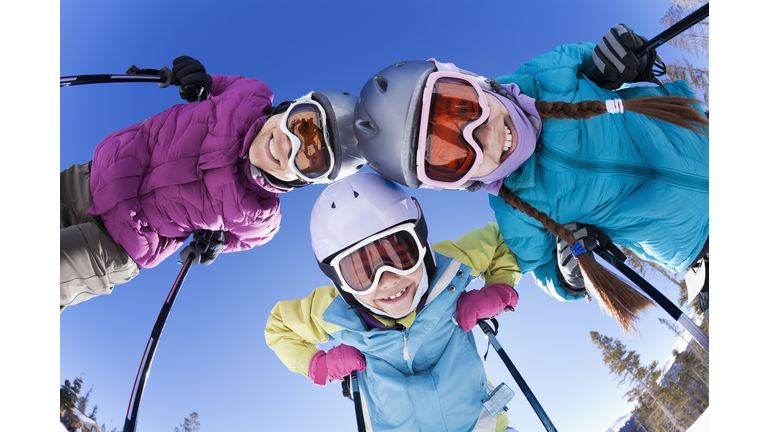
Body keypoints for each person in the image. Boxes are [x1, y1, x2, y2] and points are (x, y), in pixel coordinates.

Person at [351, 25, 709, 333]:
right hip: (700, 245)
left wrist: (630, 56)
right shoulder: (517, 216)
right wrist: (572, 277)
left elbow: (617, 60)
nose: (485, 137)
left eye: (462, 107)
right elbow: (546, 272)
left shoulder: (548, 74)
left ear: (473, 81)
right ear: (457, 183)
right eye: (451, 157)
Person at [61, 56, 366, 311]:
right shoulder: (250, 93)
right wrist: (196, 78)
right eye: (302, 124)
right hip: (88, 178)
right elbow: (212, 84)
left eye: (310, 158)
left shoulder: (261, 218)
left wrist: (215, 243)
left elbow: (238, 241)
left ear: (303, 181)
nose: (288, 145)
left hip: (113, 244)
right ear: (290, 106)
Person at [265, 172, 522, 432]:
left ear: (421, 241)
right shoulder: (336, 310)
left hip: (481, 425)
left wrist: (499, 290)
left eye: (399, 255)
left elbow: (502, 242)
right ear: (340, 282)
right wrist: (319, 365)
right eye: (361, 273)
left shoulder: (449, 267)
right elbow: (279, 326)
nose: (387, 280)